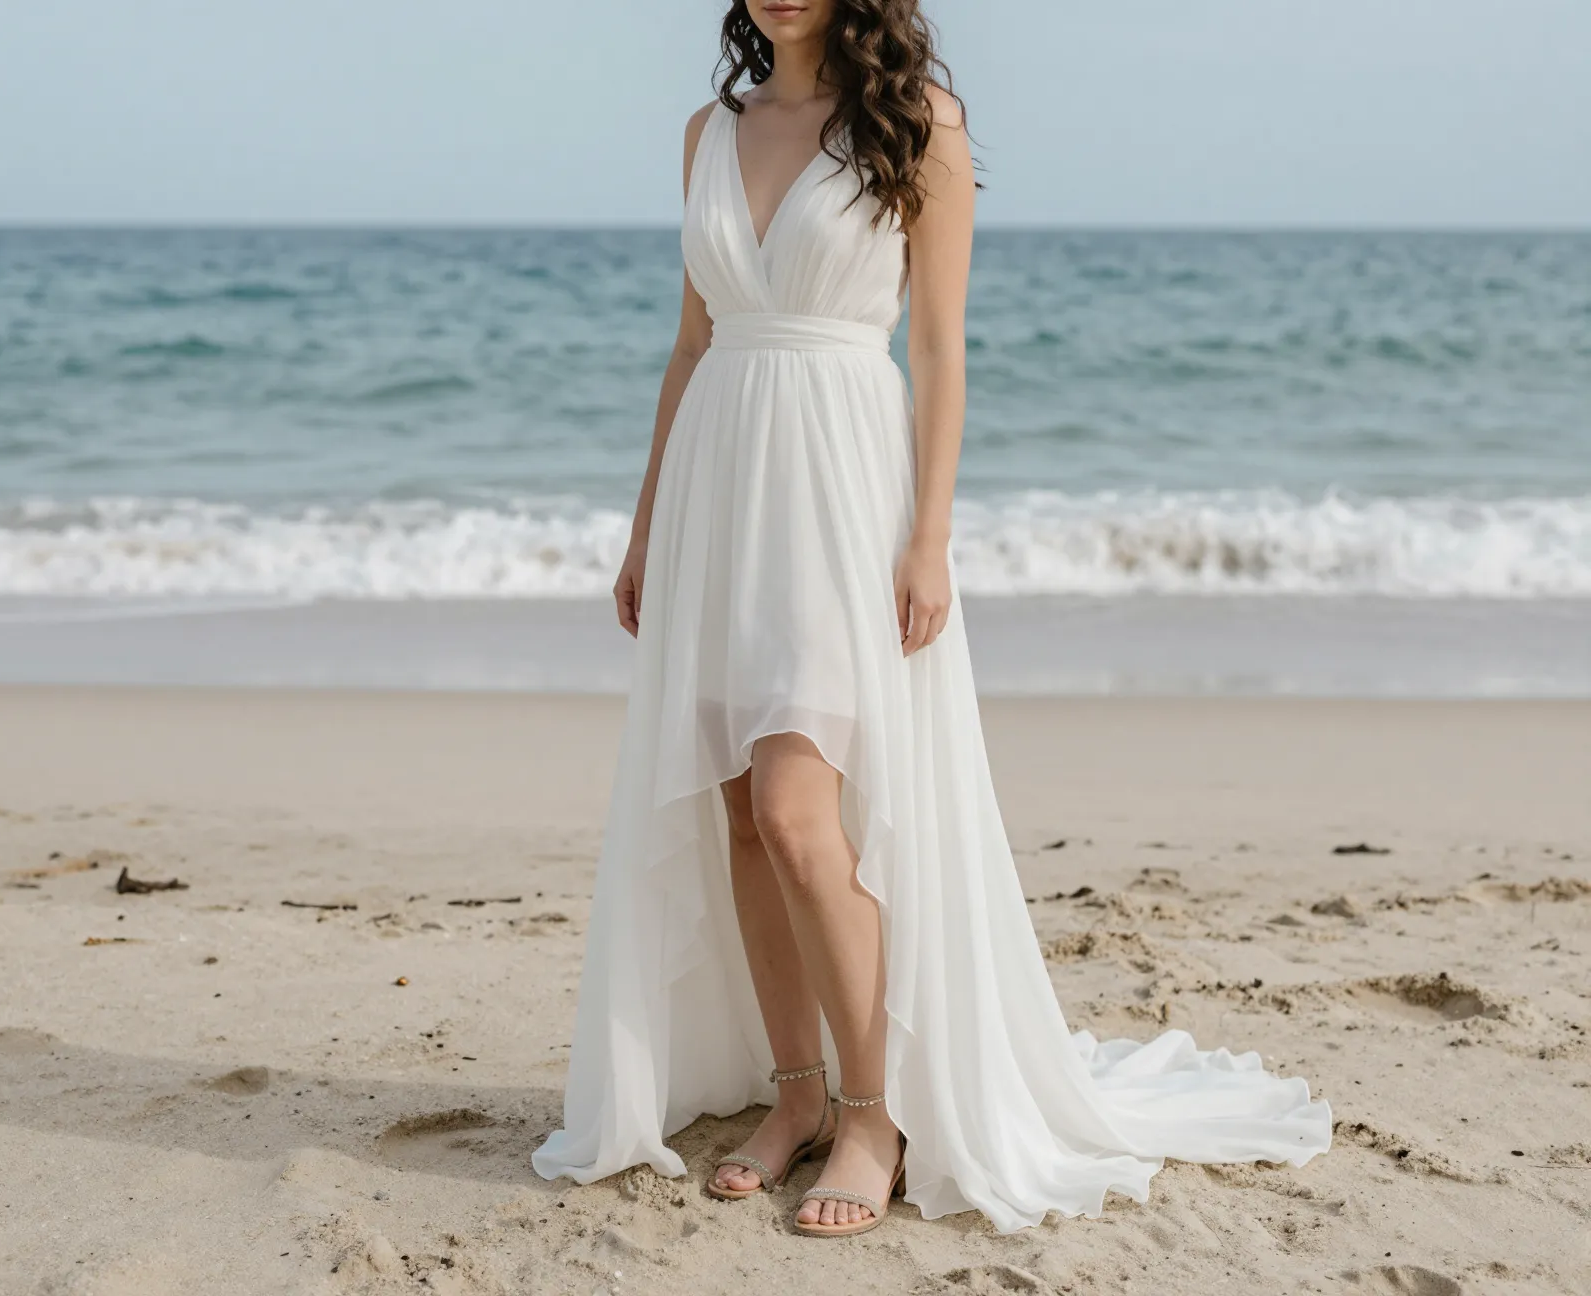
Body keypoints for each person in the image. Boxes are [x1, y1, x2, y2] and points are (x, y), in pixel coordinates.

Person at [533, 0, 1331, 1237]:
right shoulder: (707, 132)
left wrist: (929, 537)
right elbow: (691, 344)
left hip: (842, 491)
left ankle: (874, 1116)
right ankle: (798, 1096)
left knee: (798, 812)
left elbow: (944, 350)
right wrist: (646, 529)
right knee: (740, 811)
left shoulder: (917, 124)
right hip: (716, 489)